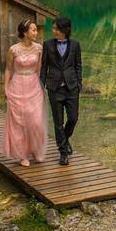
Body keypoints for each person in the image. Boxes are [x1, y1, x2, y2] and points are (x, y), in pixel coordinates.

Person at [1, 19, 47, 167]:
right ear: (25, 33)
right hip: (17, 85)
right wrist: (6, 88)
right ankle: (23, 155)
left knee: (35, 121)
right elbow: (8, 69)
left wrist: (41, 87)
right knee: (19, 122)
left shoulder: (39, 48)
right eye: (33, 30)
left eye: (36, 30)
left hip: (34, 85)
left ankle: (36, 150)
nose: (36, 32)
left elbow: (39, 70)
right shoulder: (13, 49)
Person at [39, 16, 82, 165]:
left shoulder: (75, 45)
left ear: (65, 30)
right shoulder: (48, 45)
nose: (54, 31)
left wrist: (79, 84)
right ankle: (63, 152)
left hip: (72, 88)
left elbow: (78, 66)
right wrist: (41, 85)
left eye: (56, 28)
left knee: (73, 118)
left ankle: (65, 139)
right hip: (54, 88)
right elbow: (44, 67)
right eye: (53, 28)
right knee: (58, 122)